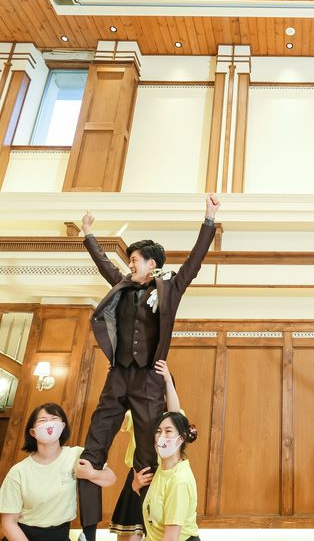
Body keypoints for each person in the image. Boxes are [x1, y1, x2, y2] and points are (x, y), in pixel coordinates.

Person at [79, 194, 219, 541]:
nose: (130, 265)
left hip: (150, 379)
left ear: (152, 263)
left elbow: (194, 261)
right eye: (129, 260)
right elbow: (104, 264)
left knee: (146, 453)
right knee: (93, 446)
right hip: (119, 374)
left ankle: (145, 527)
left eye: (135, 260)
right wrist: (88, 234)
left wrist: (209, 218)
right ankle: (87, 529)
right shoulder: (122, 286)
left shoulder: (170, 288)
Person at [0, 403, 115, 541]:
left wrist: (91, 474)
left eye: (54, 418)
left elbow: (110, 478)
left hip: (61, 535)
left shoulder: (76, 455)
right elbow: (8, 523)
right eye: (42, 420)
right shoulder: (18, 471)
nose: (49, 424)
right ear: (32, 432)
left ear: (63, 426)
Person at [110, 360, 181, 540]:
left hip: (163, 476)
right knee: (130, 534)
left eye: (161, 390)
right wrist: (117, 379)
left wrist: (167, 379)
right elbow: (116, 413)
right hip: (137, 473)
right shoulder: (134, 414)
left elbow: (175, 412)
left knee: (158, 531)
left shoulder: (172, 419)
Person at [132, 412, 199, 541]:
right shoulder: (162, 468)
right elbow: (157, 502)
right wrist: (136, 487)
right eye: (158, 431)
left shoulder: (179, 480)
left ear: (181, 438)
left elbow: (171, 538)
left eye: (168, 431)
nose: (161, 437)